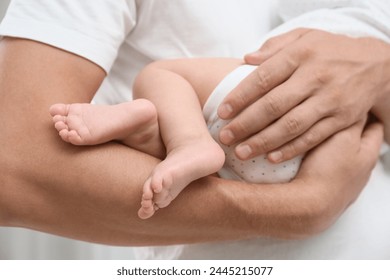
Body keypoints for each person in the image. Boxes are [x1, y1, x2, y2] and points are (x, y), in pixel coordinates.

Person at [0, 0, 389, 259]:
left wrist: (381, 71)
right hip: (296, 152)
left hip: (295, 148)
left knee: (163, 80)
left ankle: (165, 132)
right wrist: (302, 207)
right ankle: (171, 135)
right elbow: (14, 166)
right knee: (175, 98)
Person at [49, 58, 303, 219]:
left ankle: (189, 141)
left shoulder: (321, 37)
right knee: (175, 150)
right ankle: (147, 134)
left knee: (161, 73)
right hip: (286, 169)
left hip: (273, 102)